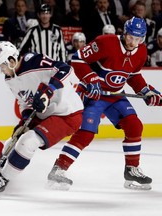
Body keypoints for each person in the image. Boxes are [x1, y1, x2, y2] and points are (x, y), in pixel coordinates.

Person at [47, 16, 162, 191]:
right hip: (93, 94)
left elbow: (133, 76)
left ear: (143, 38)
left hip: (115, 95)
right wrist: (91, 79)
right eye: (130, 37)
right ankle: (59, 169)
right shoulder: (105, 42)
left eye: (138, 39)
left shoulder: (142, 51)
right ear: (124, 33)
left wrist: (147, 91)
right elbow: (77, 59)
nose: (133, 42)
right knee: (86, 132)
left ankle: (131, 169)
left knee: (134, 125)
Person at [0, 41, 84, 197]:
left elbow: (65, 68)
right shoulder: (10, 79)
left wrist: (49, 91)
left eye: (2, 66)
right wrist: (25, 119)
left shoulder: (34, 61)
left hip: (66, 113)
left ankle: (3, 180)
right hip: (44, 112)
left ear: (11, 60)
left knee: (28, 141)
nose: (2, 71)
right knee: (12, 141)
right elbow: (24, 102)